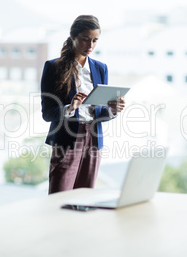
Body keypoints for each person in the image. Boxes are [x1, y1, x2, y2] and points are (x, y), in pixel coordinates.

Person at [41, 15, 125, 194]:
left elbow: (99, 112)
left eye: (95, 40)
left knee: (86, 196)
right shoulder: (53, 67)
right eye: (85, 39)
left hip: (93, 139)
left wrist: (112, 110)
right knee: (60, 197)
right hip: (67, 139)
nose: (90, 46)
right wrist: (70, 108)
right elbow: (47, 113)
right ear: (73, 37)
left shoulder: (101, 68)